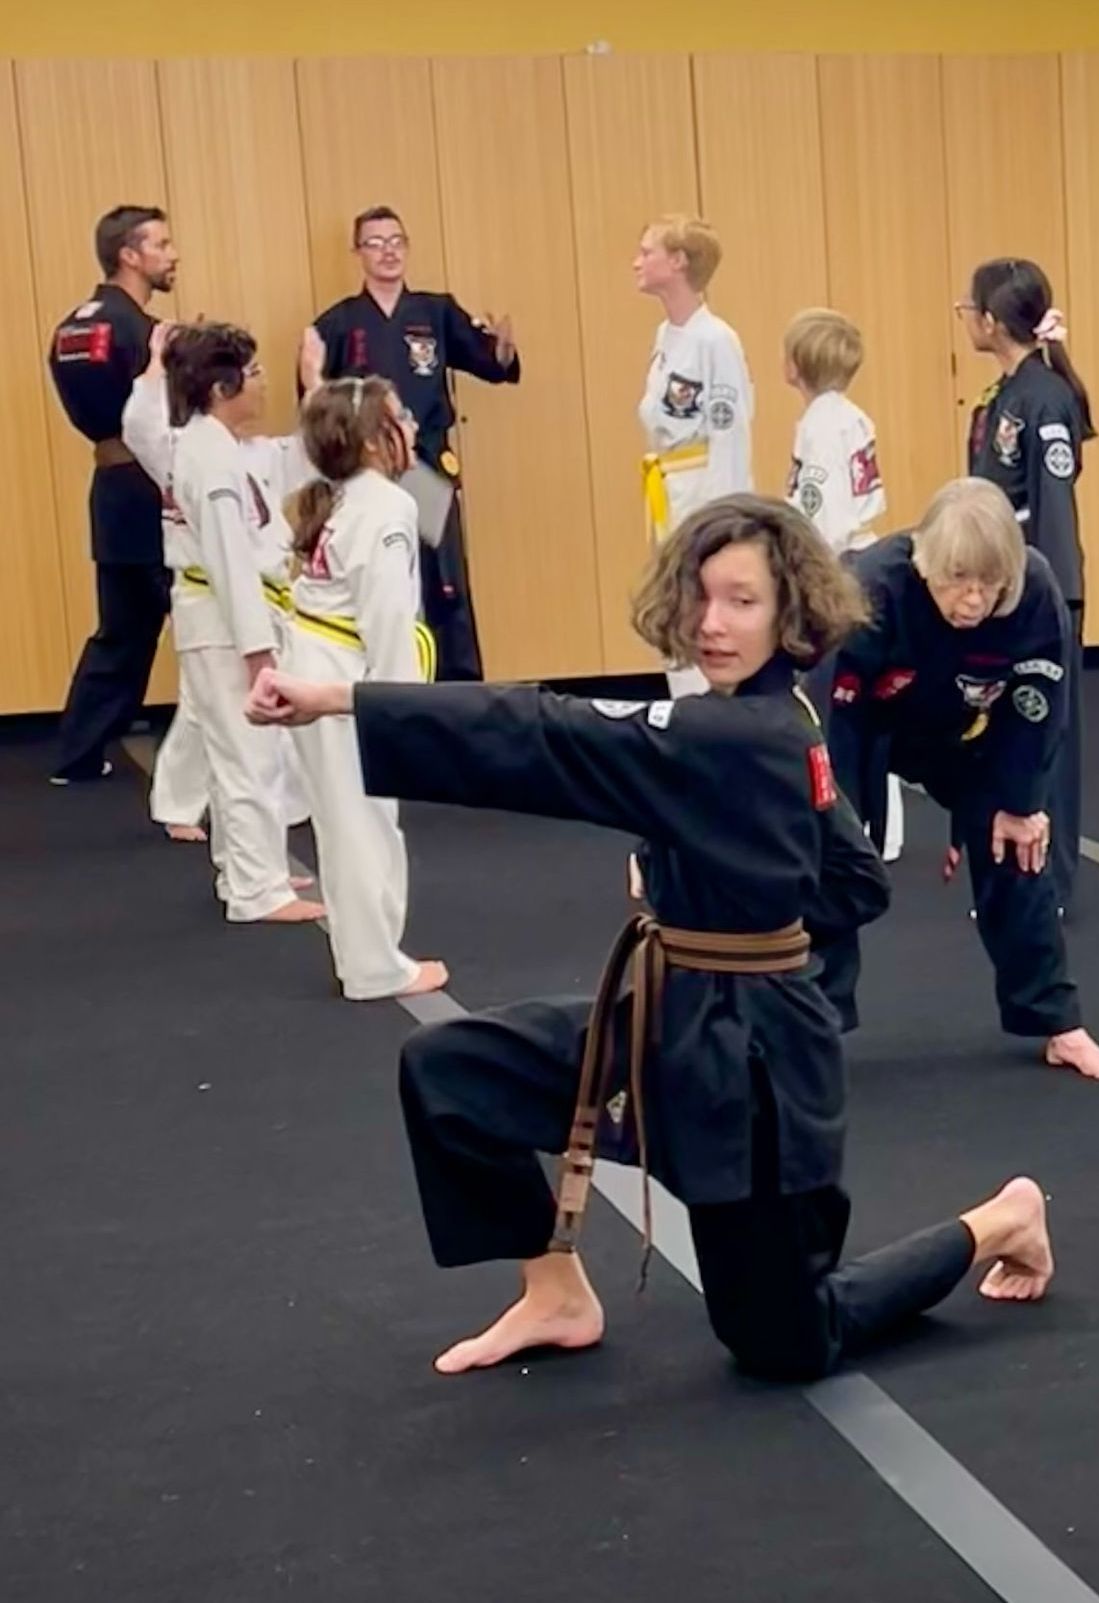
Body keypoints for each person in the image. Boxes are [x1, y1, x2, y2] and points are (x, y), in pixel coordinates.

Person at [245, 495, 1054, 1382]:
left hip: (756, 1067)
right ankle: (554, 1291)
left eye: (743, 601)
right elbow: (853, 881)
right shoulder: (778, 716)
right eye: (702, 597)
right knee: (451, 1070)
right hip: (671, 1013)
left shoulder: (733, 733)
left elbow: (544, 732)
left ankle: (1000, 1222)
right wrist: (698, 864)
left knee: (783, 1339)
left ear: (790, 611)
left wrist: (336, 699)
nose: (713, 624)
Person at [827, 478, 1099, 1082]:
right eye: (956, 581)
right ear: (923, 562)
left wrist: (1020, 803)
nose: (972, 601)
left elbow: (1041, 709)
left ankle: (1057, 1022)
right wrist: (839, 817)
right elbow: (833, 715)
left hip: (969, 732)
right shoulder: (868, 589)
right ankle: (815, 1029)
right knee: (824, 857)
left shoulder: (1034, 592)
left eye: (989, 585)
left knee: (1016, 846)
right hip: (866, 722)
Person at [126, 322, 324, 925]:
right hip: (223, 618)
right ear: (220, 387)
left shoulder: (216, 447)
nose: (263, 384)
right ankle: (255, 891)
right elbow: (229, 561)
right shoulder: (207, 459)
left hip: (221, 616)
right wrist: (256, 648)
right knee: (247, 756)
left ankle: (247, 868)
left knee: (245, 753)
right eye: (255, 374)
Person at [283, 376, 448, 1000]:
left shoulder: (341, 496)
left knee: (344, 818)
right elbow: (387, 614)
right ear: (378, 440)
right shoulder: (383, 507)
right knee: (362, 821)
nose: (409, 424)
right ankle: (375, 965)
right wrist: (404, 711)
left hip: (317, 659)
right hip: (344, 672)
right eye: (400, 416)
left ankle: (366, 954)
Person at [311, 205, 520, 683]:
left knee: (442, 579)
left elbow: (490, 363)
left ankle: (458, 686)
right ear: (358, 253)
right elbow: (319, 402)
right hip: (368, 468)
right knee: (384, 574)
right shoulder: (338, 324)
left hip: (424, 462)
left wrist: (503, 351)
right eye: (375, 242)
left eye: (396, 241)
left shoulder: (436, 311)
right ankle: (391, 681)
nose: (387, 251)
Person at [959, 259, 1091, 911]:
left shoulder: (1043, 398)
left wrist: (1053, 598)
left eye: (969, 309)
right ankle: (1007, 863)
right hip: (997, 585)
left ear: (991, 321)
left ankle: (1053, 881)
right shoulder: (1002, 394)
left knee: (1050, 733)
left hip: (1037, 591)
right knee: (1001, 728)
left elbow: (1052, 505)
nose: (965, 320)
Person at [45, 206, 179, 786]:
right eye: (162, 244)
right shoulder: (143, 332)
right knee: (220, 624)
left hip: (111, 493)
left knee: (121, 631)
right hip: (153, 489)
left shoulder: (72, 327)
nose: (173, 254)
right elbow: (153, 418)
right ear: (130, 255)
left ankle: (77, 755)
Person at [782, 306, 900, 861]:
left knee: (831, 699)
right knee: (866, 700)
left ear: (798, 363)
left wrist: (804, 571)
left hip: (837, 563)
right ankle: (883, 825)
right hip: (864, 553)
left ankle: (840, 822)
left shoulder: (820, 426)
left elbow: (819, 511)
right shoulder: (852, 416)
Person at [633, 214, 755, 698]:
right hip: (671, 485)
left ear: (678, 262)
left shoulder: (716, 340)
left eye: (647, 251)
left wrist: (726, 521)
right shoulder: (667, 336)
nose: (637, 262)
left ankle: (715, 712)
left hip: (705, 487)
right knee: (675, 609)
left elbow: (731, 431)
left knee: (703, 606)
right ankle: (687, 711)